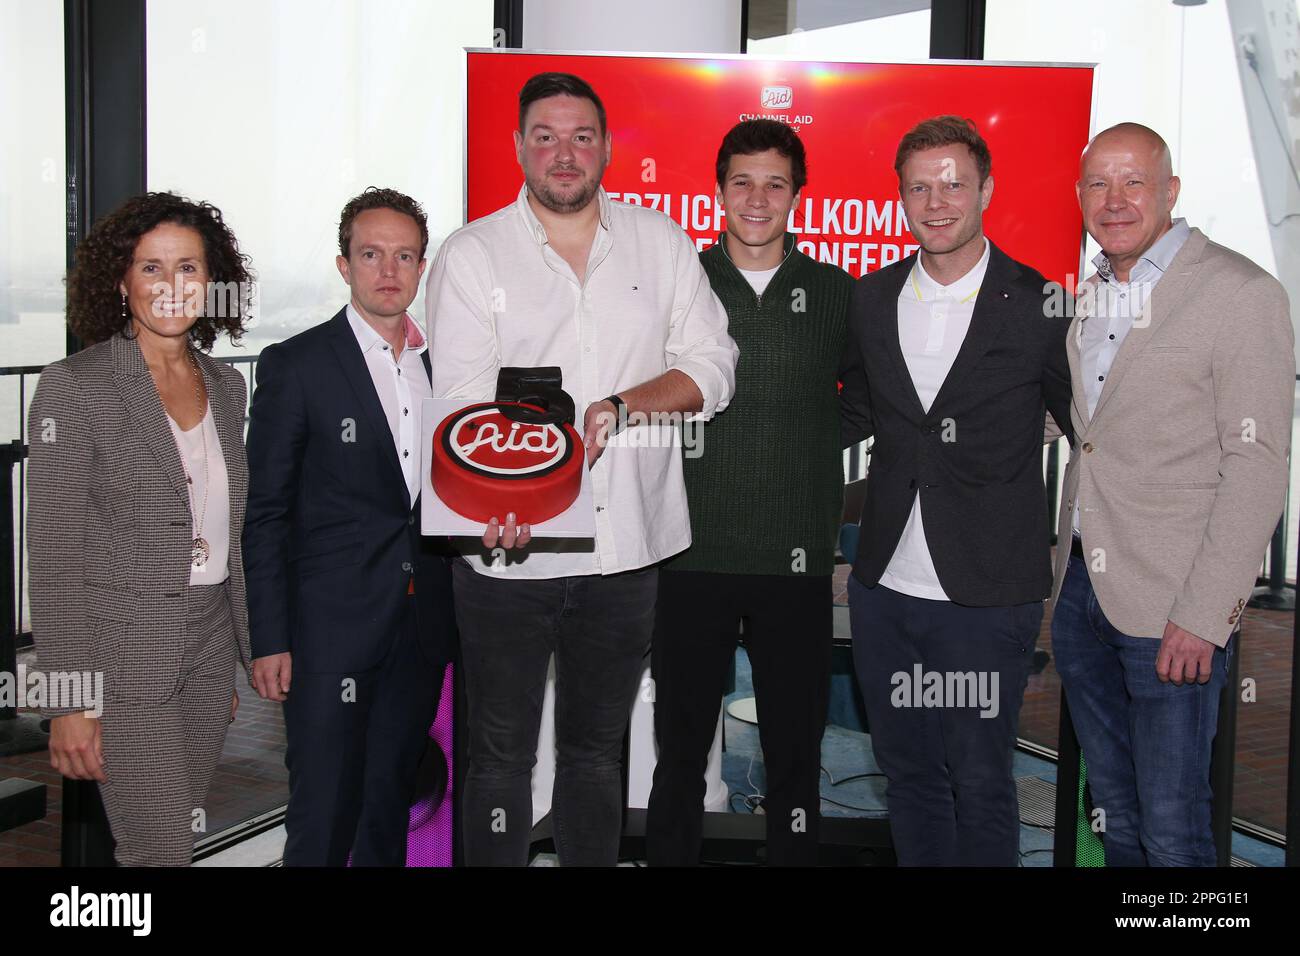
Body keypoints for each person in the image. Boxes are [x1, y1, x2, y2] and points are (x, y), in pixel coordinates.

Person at [425, 71, 737, 866]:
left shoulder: (658, 242)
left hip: (625, 549)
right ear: (520, 146)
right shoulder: (471, 255)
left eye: (581, 136)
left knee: (598, 757)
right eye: (545, 136)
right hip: (505, 550)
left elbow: (714, 365)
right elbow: (460, 404)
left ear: (605, 147)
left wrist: (625, 403)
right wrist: (490, 497)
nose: (564, 154)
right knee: (498, 763)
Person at [1051, 123, 1293, 867]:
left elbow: (1257, 464)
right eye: (1097, 183)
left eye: (1133, 182)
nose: (1114, 200)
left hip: (1172, 610)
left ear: (1171, 193)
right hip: (1082, 594)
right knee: (1116, 814)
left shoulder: (1240, 292)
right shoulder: (1092, 293)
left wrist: (1205, 612)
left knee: (1173, 827)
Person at [839, 116, 1073, 866]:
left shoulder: (1039, 302)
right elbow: (849, 414)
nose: (935, 202)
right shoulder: (871, 299)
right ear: (899, 196)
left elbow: (1090, 428)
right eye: (918, 187)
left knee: (979, 778)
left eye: (952, 184)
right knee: (906, 774)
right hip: (885, 591)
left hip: (984, 595)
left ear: (986, 190)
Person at [644, 119, 852, 866]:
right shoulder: (681, 284)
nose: (757, 198)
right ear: (718, 188)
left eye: (774, 182)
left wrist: (804, 440)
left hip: (794, 561)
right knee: (680, 752)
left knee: (797, 755)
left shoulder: (835, 293)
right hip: (689, 551)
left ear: (797, 192)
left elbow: (859, 400)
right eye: (742, 181)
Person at [28, 191, 254, 866]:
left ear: (211, 283)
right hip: (122, 659)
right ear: (121, 282)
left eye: (187, 268)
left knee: (174, 838)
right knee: (160, 850)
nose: (171, 285)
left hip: (211, 647)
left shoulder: (227, 387)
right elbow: (55, 557)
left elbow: (228, 529)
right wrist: (68, 699)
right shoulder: (75, 387)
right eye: (151, 268)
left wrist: (233, 656)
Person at [243, 187, 457, 866]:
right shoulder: (297, 365)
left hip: (419, 630)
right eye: (371, 254)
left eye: (404, 256)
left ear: (422, 268)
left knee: (387, 804)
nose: (388, 271)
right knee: (322, 814)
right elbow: (267, 514)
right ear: (344, 265)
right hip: (327, 634)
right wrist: (270, 639)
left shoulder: (444, 370)